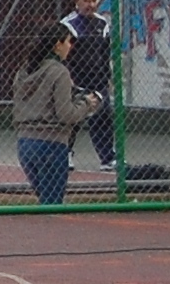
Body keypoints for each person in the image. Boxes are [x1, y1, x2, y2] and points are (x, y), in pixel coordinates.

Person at [11, 23, 103, 207]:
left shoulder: (24, 71)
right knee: (53, 204)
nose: (70, 46)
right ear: (57, 45)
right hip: (51, 143)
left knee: (44, 201)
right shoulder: (59, 72)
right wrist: (86, 104)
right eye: (68, 41)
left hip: (25, 143)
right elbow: (66, 114)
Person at [60, 0, 116, 170]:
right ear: (77, 2)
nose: (90, 5)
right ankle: (66, 154)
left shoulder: (102, 24)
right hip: (76, 81)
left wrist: (107, 78)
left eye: (93, 1)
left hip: (98, 81)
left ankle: (107, 159)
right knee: (72, 119)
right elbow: (62, 55)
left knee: (104, 116)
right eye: (86, 1)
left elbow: (105, 53)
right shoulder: (68, 25)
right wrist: (68, 80)